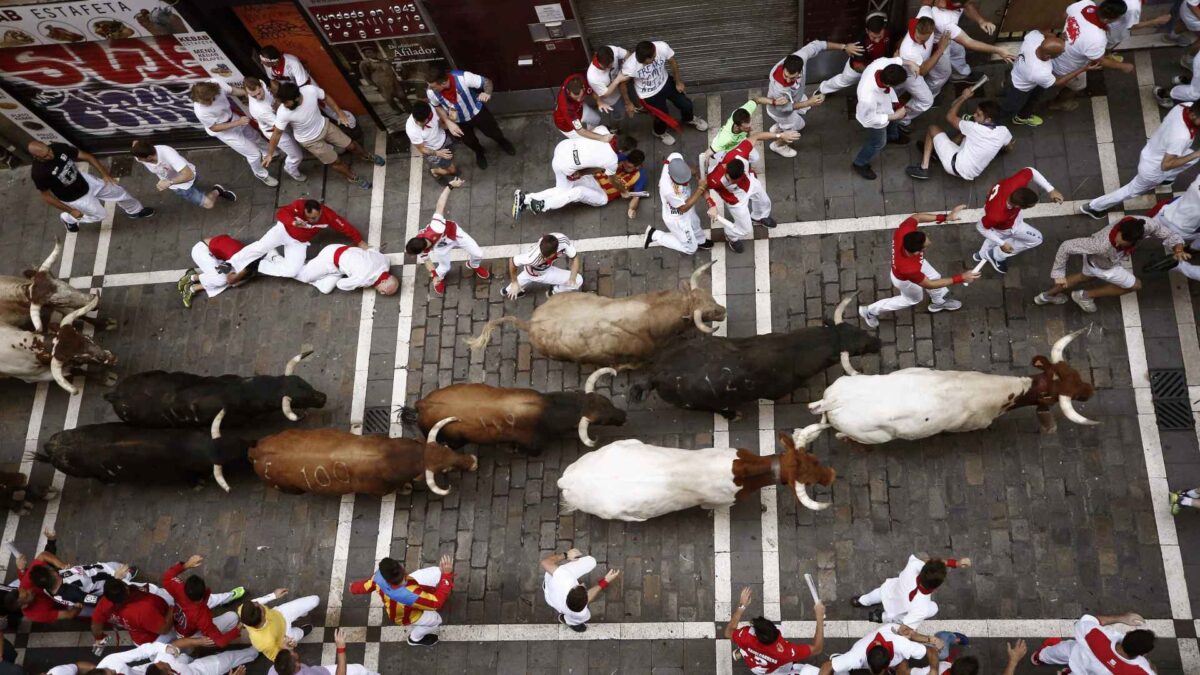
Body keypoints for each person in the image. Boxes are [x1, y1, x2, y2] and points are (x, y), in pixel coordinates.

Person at [859, 206, 978, 329]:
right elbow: (929, 284)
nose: (929, 243)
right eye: (925, 246)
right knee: (912, 299)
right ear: (916, 252)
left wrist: (945, 217)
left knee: (935, 276)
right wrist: (961, 278)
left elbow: (917, 217)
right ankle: (870, 311)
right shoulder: (910, 269)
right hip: (905, 281)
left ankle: (939, 302)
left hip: (914, 265)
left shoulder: (904, 230)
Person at [1035, 216, 1187, 311]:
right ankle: (1085, 296)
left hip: (1092, 262)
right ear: (1119, 229)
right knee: (1135, 286)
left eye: (1122, 243)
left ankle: (1045, 296)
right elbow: (1066, 246)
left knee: (1084, 277)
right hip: (1105, 266)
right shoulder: (1101, 244)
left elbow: (1169, 234)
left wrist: (1178, 248)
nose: (1117, 243)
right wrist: (1058, 272)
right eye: (1118, 240)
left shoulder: (1145, 224)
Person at [1080, 101, 1200, 218]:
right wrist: (1197, 154)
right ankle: (1094, 207)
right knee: (1131, 190)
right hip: (1154, 169)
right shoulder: (1181, 137)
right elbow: (1166, 165)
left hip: (1154, 150)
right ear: (1193, 115)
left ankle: (1167, 178)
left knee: (1191, 158)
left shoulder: (1185, 105)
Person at [266, 82, 384, 191]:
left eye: (286, 103)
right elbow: (276, 134)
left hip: (325, 126)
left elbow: (325, 97)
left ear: (296, 98)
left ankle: (367, 156)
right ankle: (353, 177)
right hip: (310, 141)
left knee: (351, 145)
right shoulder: (283, 112)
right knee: (336, 161)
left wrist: (340, 113)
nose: (284, 105)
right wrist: (270, 154)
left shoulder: (310, 91)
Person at [764, 39, 863, 156]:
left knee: (796, 116)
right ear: (783, 68)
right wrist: (808, 103)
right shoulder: (779, 89)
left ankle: (779, 127)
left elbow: (818, 45)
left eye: (792, 77)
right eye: (786, 76)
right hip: (780, 113)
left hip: (793, 101)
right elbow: (784, 109)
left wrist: (844, 46)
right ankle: (778, 145)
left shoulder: (799, 57)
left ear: (800, 71)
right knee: (798, 127)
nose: (787, 80)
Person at [30, 140, 154, 232]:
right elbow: (46, 197)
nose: (51, 155)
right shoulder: (39, 173)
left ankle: (136, 211)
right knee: (101, 215)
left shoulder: (57, 147)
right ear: (36, 157)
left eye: (49, 151)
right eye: (46, 156)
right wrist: (71, 211)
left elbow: (87, 156)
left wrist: (105, 174)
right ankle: (68, 218)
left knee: (119, 192)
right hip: (76, 198)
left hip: (86, 181)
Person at [228, 199, 367, 280]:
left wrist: (359, 241)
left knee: (292, 271)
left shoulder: (329, 216)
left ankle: (258, 265)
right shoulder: (299, 204)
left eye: (315, 218)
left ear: (321, 210)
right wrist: (293, 222)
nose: (311, 220)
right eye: (309, 217)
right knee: (261, 246)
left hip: (298, 243)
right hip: (282, 231)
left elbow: (344, 226)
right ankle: (231, 263)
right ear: (304, 210)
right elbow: (281, 213)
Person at [613, 40, 709, 145]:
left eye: (650, 60)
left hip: (665, 82)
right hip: (649, 94)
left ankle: (689, 119)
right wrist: (628, 103)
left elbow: (673, 62)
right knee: (662, 118)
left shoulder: (662, 47)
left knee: (686, 104)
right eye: (644, 63)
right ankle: (659, 132)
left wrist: (678, 82)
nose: (648, 63)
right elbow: (622, 84)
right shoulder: (630, 66)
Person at [404, 180, 488, 296]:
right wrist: (434, 275)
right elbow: (427, 262)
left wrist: (450, 186)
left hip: (454, 234)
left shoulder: (436, 227)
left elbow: (440, 205)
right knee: (444, 267)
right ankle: (438, 279)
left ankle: (473, 264)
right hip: (441, 246)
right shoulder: (421, 248)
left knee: (478, 254)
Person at [349, 555, 455, 647]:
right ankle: (415, 639)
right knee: (435, 621)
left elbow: (365, 586)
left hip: (404, 600)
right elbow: (436, 603)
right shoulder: (410, 595)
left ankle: (440, 582)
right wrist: (446, 577)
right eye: (401, 578)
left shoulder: (378, 577)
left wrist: (353, 588)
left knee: (437, 572)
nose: (404, 580)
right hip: (408, 616)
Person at [906, 89, 1013, 181]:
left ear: (988, 119)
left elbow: (950, 117)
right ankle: (939, 152)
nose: (974, 115)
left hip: (954, 165)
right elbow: (1009, 146)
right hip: (972, 173)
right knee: (965, 133)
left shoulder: (974, 128)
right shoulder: (1003, 131)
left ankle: (924, 168)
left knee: (932, 129)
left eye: (978, 115)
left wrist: (964, 97)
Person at [974, 166, 1064, 274]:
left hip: (990, 209)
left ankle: (982, 253)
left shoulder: (1017, 183)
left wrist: (1051, 190)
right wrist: (1002, 244)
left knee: (995, 233)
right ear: (1017, 206)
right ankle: (996, 255)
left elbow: (1030, 170)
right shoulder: (997, 215)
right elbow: (980, 227)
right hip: (1005, 226)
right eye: (1030, 206)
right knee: (1036, 240)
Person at [511, 133, 624, 218]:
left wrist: (582, 172)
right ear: (622, 150)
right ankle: (543, 204)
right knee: (567, 193)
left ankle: (525, 199)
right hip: (565, 166)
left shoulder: (604, 133)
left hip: (563, 148)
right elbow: (612, 180)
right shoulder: (612, 160)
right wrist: (624, 191)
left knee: (561, 190)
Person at [1049, 0, 1135, 112]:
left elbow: (1065, 15)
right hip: (1068, 67)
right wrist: (1123, 66)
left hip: (1054, 52)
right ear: (1106, 20)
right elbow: (1100, 60)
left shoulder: (1084, 4)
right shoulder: (1097, 39)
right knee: (1077, 86)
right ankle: (1059, 103)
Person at [189, 81, 278, 187]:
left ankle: (268, 154)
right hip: (224, 131)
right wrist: (237, 123)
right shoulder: (201, 111)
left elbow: (233, 91)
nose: (208, 102)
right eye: (205, 101)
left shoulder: (217, 84)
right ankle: (261, 174)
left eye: (210, 99)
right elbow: (214, 127)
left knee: (255, 137)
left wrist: (251, 94)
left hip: (234, 118)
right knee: (253, 154)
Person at [426, 65, 515, 169]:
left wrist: (487, 93)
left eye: (432, 86)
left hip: (477, 112)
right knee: (469, 141)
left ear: (444, 83)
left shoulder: (463, 77)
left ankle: (502, 141)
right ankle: (479, 152)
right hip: (458, 121)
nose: (429, 88)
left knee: (493, 132)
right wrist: (448, 122)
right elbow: (437, 106)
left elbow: (486, 82)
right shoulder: (431, 92)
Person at [918, 0, 1012, 98]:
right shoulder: (942, 19)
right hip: (937, 44)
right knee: (942, 74)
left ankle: (959, 76)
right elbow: (969, 42)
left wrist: (981, 21)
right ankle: (928, 95)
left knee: (959, 51)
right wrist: (999, 50)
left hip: (949, 35)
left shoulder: (956, 3)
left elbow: (967, 5)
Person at [1001, 32, 1098, 126]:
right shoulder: (1041, 72)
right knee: (1015, 105)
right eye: (1061, 53)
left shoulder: (1032, 39)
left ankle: (1008, 92)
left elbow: (1040, 33)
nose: (1064, 52)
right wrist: (1082, 69)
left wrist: (1058, 36)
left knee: (1031, 95)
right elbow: (1058, 82)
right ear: (1048, 56)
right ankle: (1014, 119)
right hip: (1020, 89)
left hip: (1016, 73)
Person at [851, 554, 971, 628]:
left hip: (888, 592)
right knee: (933, 608)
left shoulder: (913, 567)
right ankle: (879, 617)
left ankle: (860, 601)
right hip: (897, 611)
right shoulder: (922, 607)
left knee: (874, 595)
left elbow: (928, 561)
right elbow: (906, 627)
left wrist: (954, 563)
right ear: (935, 587)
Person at [725, 586, 825, 674]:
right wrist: (820, 617)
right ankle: (743, 651)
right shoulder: (785, 652)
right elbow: (817, 648)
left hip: (756, 666)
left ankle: (743, 651)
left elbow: (728, 632)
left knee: (745, 644)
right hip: (770, 670)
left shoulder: (746, 636)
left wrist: (742, 606)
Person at [706, 138, 775, 253]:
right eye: (730, 179)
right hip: (735, 201)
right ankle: (731, 237)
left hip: (750, 184)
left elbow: (756, 136)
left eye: (735, 180)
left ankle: (759, 217)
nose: (732, 182)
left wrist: (779, 136)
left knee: (764, 202)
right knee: (745, 230)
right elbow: (702, 188)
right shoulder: (713, 179)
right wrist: (711, 204)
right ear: (726, 169)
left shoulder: (742, 153)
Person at [160, 554, 245, 648]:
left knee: (212, 600)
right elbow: (221, 642)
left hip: (180, 625)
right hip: (190, 635)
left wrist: (186, 564)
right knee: (233, 617)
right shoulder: (202, 616)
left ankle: (227, 598)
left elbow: (166, 577)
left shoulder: (178, 588)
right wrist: (237, 629)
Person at [1030, 612, 1155, 674]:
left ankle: (1038, 658)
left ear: (1127, 634)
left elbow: (1091, 620)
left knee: (1055, 651)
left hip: (1075, 654)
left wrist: (1122, 617)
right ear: (1142, 653)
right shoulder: (1141, 671)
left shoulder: (1098, 636)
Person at [130, 141, 236, 210]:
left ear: (149, 157)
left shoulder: (168, 154)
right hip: (180, 187)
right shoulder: (140, 155)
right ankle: (216, 191)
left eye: (140, 159)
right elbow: (135, 142)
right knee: (209, 204)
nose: (138, 160)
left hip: (188, 175)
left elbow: (188, 175)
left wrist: (169, 182)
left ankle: (217, 191)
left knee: (196, 183)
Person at [241, 77, 307, 182]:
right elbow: (280, 126)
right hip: (276, 131)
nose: (258, 97)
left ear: (261, 85)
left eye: (259, 93)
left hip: (281, 122)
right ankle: (291, 169)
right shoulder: (259, 110)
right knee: (296, 156)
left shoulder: (261, 81)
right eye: (253, 96)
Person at [851, 58, 909, 180]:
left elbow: (895, 60)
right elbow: (869, 119)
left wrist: (911, 63)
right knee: (878, 142)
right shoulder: (868, 97)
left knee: (894, 119)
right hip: (876, 118)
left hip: (886, 106)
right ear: (889, 84)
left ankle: (893, 136)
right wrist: (894, 116)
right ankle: (859, 163)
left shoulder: (880, 65)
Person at [540, 548, 619, 633]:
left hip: (552, 590)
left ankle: (568, 620)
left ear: (570, 591)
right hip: (553, 598)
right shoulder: (582, 614)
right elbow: (587, 597)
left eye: (579, 586)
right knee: (591, 562)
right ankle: (569, 622)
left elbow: (544, 562)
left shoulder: (565, 578)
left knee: (590, 562)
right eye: (583, 587)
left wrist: (566, 555)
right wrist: (605, 581)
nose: (583, 584)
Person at [645, 153, 712, 254]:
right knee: (691, 249)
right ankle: (654, 235)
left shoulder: (674, 158)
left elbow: (686, 166)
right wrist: (701, 188)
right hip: (678, 218)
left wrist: (696, 173)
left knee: (695, 223)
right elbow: (683, 208)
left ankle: (700, 241)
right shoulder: (668, 189)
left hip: (687, 203)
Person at [896, 17, 953, 133]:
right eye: (918, 38)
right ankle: (902, 118)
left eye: (924, 40)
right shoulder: (910, 50)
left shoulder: (926, 15)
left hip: (914, 67)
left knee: (944, 72)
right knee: (926, 101)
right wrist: (940, 49)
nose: (920, 42)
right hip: (911, 75)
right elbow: (922, 72)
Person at [95, 635, 258, 675]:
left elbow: (146, 651)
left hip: (154, 670)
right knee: (224, 662)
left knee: (171, 646)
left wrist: (167, 649)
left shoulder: (110, 662)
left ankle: (258, 647)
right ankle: (254, 652)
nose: (116, 672)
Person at [818, 13, 894, 97]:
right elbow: (858, 66)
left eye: (880, 36)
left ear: (884, 29)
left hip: (879, 66)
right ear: (867, 31)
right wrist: (875, 75)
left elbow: (898, 39)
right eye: (873, 37)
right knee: (842, 81)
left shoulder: (889, 31)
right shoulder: (860, 42)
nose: (877, 40)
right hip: (858, 70)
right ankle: (822, 89)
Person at [817, 624, 937, 675]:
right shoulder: (856, 656)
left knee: (904, 672)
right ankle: (840, 660)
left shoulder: (904, 645)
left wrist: (934, 671)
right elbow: (827, 666)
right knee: (843, 663)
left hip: (902, 633)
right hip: (854, 657)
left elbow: (932, 651)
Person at [707, 100, 800, 164]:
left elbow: (757, 99)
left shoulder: (742, 112)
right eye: (747, 128)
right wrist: (703, 175)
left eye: (750, 125)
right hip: (725, 151)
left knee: (755, 157)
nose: (750, 129)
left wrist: (774, 101)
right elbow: (707, 154)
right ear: (737, 126)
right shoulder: (724, 139)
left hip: (739, 142)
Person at [237, 588, 318, 661]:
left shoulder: (242, 610)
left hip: (281, 613)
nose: (258, 603)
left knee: (315, 600)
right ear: (262, 614)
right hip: (285, 636)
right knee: (300, 633)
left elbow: (254, 602)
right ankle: (302, 631)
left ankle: (301, 613)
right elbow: (275, 657)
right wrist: (286, 648)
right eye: (258, 605)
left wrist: (273, 595)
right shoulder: (262, 643)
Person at [91, 580, 173, 648]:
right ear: (126, 588)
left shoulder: (104, 602)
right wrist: (172, 608)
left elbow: (95, 627)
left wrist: (99, 638)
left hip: (140, 639)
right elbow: (164, 630)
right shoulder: (143, 609)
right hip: (156, 639)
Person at [178, 235, 253, 308]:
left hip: (209, 251)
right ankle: (192, 285)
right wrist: (241, 274)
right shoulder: (236, 257)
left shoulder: (242, 252)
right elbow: (231, 280)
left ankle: (193, 278)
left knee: (232, 276)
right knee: (223, 280)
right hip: (201, 251)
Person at [297, 243, 398, 296]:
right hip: (329, 259)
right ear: (384, 280)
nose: (381, 293)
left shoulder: (385, 261)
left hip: (340, 249)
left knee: (326, 289)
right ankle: (285, 264)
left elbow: (372, 250)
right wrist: (358, 284)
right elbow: (340, 284)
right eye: (384, 291)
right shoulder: (364, 280)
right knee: (304, 277)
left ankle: (314, 270)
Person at [270, 628, 377, 675]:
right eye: (292, 652)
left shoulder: (275, 669)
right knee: (359, 669)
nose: (291, 649)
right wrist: (341, 649)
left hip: (322, 671)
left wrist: (285, 647)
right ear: (297, 665)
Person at [505, 233, 582, 298]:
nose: (543, 259)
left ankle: (506, 291)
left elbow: (574, 258)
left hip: (540, 270)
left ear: (555, 251)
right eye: (543, 256)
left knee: (511, 289)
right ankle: (554, 292)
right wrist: (514, 282)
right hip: (538, 273)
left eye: (546, 258)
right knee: (579, 280)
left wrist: (573, 277)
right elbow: (512, 261)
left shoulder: (563, 242)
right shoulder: (532, 258)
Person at [406, 100, 460, 183]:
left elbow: (441, 121)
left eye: (422, 122)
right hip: (434, 151)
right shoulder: (411, 129)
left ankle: (446, 165)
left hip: (445, 139)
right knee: (453, 171)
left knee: (451, 155)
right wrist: (438, 153)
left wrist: (450, 124)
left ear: (429, 115)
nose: (419, 124)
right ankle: (434, 171)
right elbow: (422, 149)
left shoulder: (432, 108)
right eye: (416, 121)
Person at [553, 74, 608, 141]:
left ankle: (593, 133)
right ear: (568, 91)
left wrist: (599, 101)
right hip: (566, 125)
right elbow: (580, 131)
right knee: (585, 140)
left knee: (596, 119)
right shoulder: (566, 107)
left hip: (579, 109)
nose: (579, 100)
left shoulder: (579, 80)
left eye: (581, 96)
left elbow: (592, 92)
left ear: (583, 87)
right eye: (576, 98)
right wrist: (602, 138)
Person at [586, 45, 631, 128]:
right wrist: (618, 80)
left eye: (611, 63)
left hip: (622, 85)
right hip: (611, 97)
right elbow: (605, 94)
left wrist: (627, 65)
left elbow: (627, 54)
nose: (610, 67)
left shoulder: (613, 50)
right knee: (620, 114)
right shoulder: (592, 76)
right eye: (606, 66)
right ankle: (614, 127)